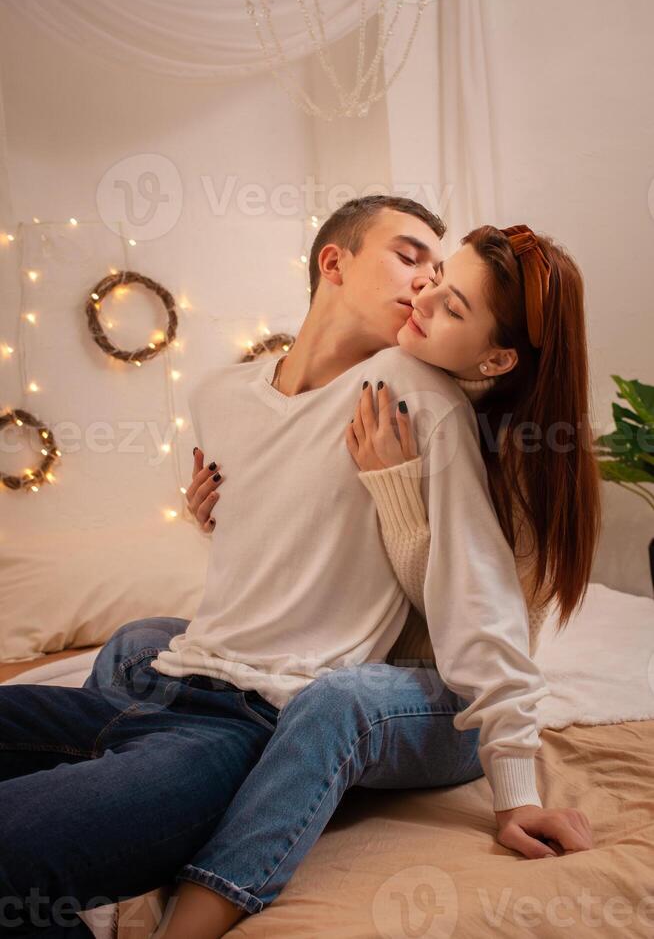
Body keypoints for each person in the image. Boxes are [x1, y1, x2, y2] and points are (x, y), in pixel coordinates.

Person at [0, 198, 596, 939]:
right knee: (135, 638)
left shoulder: (420, 395)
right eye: (415, 260)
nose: (425, 289)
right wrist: (222, 523)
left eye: (445, 284)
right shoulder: (219, 395)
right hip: (166, 685)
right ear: (333, 263)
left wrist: (516, 791)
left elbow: (479, 608)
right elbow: (291, 562)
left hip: (268, 717)